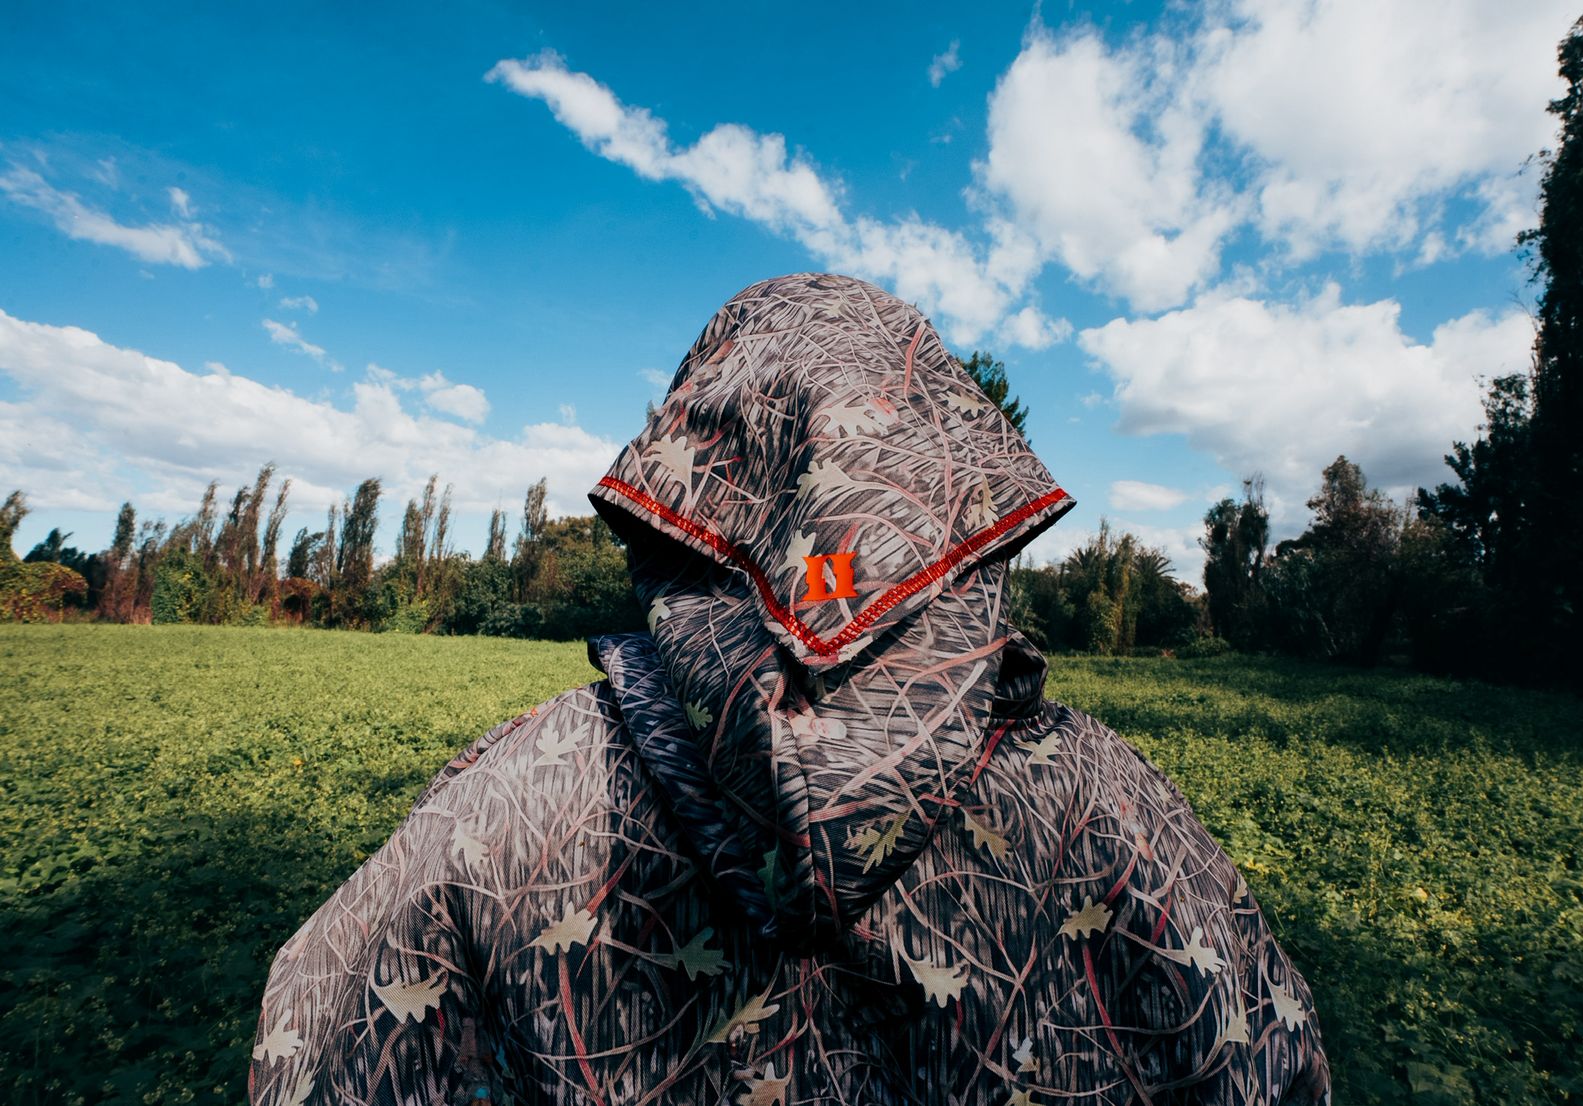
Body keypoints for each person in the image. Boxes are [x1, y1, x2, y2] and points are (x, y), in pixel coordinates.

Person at [248, 273, 1331, 1105]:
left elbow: (312, 1056)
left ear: (695, 471)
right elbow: (1277, 1068)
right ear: (943, 486)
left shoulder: (495, 814)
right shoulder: (1116, 810)